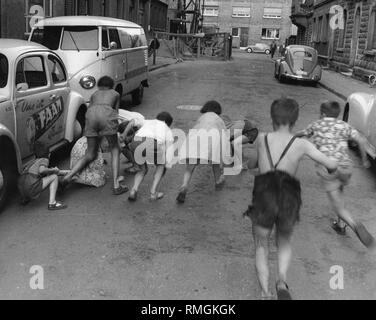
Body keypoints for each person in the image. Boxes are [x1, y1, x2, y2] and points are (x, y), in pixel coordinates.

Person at [243, 98, 337, 300]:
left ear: (272, 118)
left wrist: (252, 163)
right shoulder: (301, 144)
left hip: (264, 194)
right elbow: (330, 163)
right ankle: (282, 281)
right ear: (295, 120)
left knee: (261, 243)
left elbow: (252, 164)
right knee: (284, 241)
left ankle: (265, 292)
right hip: (288, 196)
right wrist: (332, 166)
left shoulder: (261, 139)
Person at [297, 101, 376, 249]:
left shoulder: (317, 124)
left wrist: (292, 136)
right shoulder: (343, 125)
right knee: (340, 191)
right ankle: (340, 224)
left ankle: (354, 224)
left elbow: (302, 133)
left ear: (323, 114)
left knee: (339, 207)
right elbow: (361, 139)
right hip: (346, 168)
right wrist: (365, 159)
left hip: (328, 169)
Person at [63, 76, 128, 195]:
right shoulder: (115, 94)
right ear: (111, 85)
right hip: (107, 114)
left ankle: (68, 177)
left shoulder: (94, 94)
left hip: (91, 116)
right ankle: (116, 185)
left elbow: (91, 109)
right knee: (115, 148)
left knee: (90, 153)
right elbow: (116, 112)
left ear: (99, 85)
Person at [176, 100, 231, 203]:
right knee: (215, 162)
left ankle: (184, 185)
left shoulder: (201, 117)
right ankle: (217, 180)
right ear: (218, 110)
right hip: (211, 141)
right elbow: (224, 137)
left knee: (189, 168)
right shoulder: (219, 119)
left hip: (195, 140)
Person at [127, 111, 174, 201]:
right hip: (152, 143)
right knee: (161, 165)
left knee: (142, 169)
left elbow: (133, 123)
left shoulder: (147, 122)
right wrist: (168, 163)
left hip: (135, 142)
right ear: (168, 123)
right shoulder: (167, 129)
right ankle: (153, 193)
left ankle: (133, 190)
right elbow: (169, 148)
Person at [18, 142, 69, 210]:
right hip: (31, 187)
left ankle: (25, 199)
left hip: (21, 188)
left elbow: (56, 172)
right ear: (49, 154)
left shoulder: (33, 162)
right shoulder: (44, 159)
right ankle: (52, 203)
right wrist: (53, 170)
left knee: (47, 175)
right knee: (54, 177)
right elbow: (42, 170)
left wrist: (70, 172)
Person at [118, 109, 146, 173]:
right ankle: (134, 158)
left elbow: (133, 121)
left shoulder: (140, 121)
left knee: (124, 146)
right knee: (124, 145)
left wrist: (124, 134)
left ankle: (136, 166)